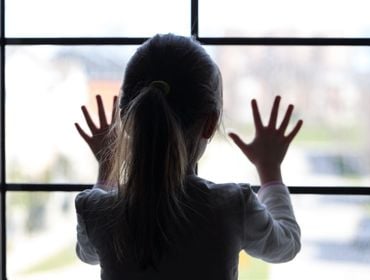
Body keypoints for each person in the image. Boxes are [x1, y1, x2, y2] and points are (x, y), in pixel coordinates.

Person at [74, 33, 303, 280]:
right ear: (210, 124)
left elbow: (88, 253)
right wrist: (269, 169)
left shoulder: (95, 211)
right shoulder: (232, 206)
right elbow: (286, 244)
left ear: (127, 121)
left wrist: (107, 167)